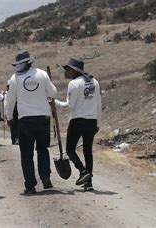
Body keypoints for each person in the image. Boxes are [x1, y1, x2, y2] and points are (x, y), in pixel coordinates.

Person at [5, 51, 57, 194]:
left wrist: (9, 117)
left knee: (26, 154)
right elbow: (53, 94)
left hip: (26, 119)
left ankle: (30, 185)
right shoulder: (42, 74)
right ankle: (45, 177)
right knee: (42, 149)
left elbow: (10, 101)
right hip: (43, 118)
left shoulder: (15, 78)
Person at [55, 59, 102, 191]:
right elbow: (99, 104)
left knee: (70, 149)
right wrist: (98, 122)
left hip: (77, 120)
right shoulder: (94, 81)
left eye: (68, 69)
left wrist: (55, 102)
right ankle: (89, 183)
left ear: (74, 70)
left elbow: (69, 105)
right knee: (88, 151)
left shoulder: (74, 84)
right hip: (92, 120)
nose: (67, 72)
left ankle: (83, 171)